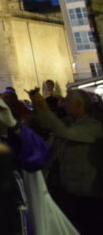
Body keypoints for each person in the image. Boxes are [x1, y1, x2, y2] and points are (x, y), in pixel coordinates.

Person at [31, 88, 103, 234]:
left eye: (67, 102)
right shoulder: (70, 121)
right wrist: (38, 106)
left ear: (78, 104)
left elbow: (64, 132)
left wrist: (46, 110)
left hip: (88, 191)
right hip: (69, 188)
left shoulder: (93, 125)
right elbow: (46, 123)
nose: (63, 105)